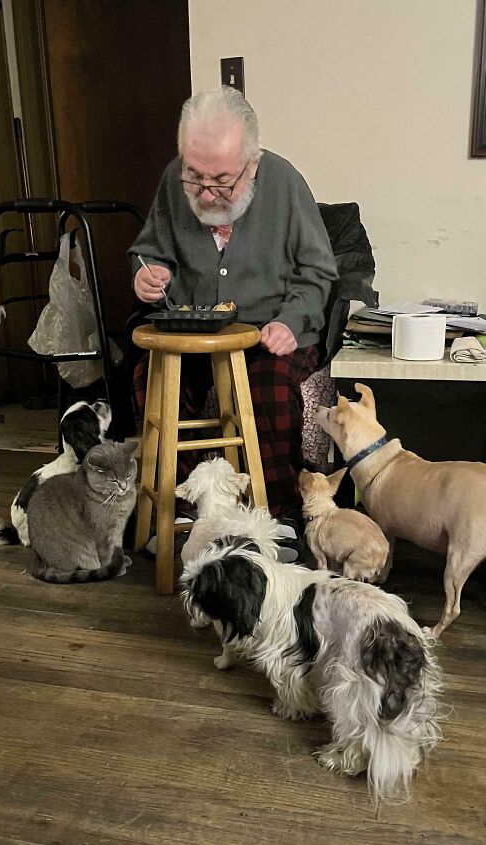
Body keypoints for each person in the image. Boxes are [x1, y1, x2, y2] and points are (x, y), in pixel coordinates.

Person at [129, 85, 337, 535]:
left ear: (252, 163)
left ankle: (275, 523)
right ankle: (183, 514)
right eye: (193, 176)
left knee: (269, 390)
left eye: (221, 180)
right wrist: (147, 274)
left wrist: (291, 321)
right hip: (192, 328)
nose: (205, 193)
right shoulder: (172, 181)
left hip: (269, 333)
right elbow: (148, 252)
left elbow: (319, 271)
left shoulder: (283, 182)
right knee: (155, 378)